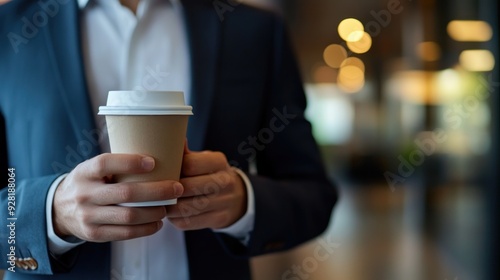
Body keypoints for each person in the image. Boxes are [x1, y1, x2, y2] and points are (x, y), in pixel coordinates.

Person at [0, 0, 338, 279]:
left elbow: (313, 195)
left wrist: (243, 203)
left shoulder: (255, 31)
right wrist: (50, 213)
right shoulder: (8, 29)